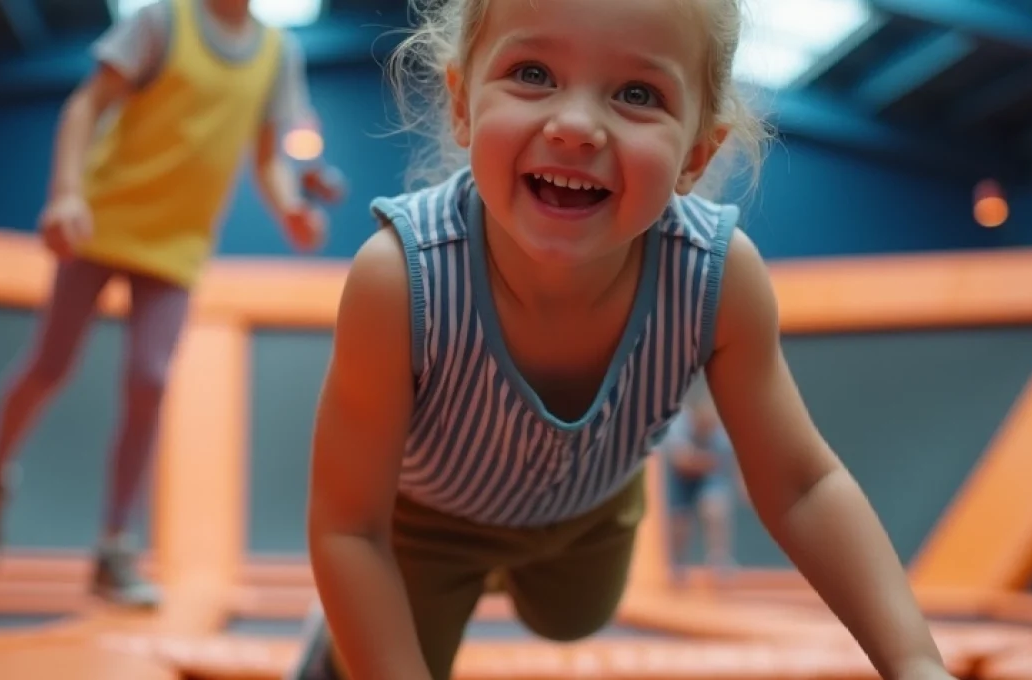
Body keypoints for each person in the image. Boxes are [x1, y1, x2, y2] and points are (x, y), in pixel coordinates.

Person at [293, 0, 959, 678]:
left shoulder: (713, 277)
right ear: (463, 104)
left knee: (569, 618)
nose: (578, 126)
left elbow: (803, 486)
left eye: (638, 94)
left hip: (590, 515)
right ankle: (338, 637)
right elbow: (349, 526)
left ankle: (518, 573)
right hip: (427, 526)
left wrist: (912, 661)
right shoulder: (404, 280)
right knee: (376, 655)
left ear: (696, 153)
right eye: (532, 73)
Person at [0, 0, 343, 609]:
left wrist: (290, 207)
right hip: (101, 219)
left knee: (150, 379)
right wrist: (64, 194)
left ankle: (114, 546)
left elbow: (265, 157)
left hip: (178, 245)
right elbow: (85, 105)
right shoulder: (163, 22)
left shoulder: (277, 54)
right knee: (50, 365)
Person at [658, 380, 744, 588]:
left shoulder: (721, 432)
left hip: (709, 477)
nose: (708, 424)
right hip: (682, 479)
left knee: (715, 507)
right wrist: (709, 461)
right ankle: (678, 566)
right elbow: (682, 461)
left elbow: (734, 461)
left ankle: (719, 560)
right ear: (695, 415)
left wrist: (743, 486)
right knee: (680, 523)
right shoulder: (679, 425)